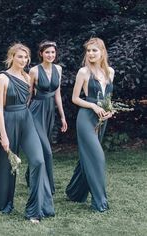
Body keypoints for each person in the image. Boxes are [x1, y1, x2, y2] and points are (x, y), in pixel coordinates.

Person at [0, 43, 55, 223]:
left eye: (26, 57)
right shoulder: (2, 78)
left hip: (26, 119)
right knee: (7, 164)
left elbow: (27, 102)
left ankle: (34, 209)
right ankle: (4, 203)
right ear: (12, 56)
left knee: (38, 160)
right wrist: (4, 135)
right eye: (19, 56)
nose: (23, 60)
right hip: (9, 119)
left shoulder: (28, 78)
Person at [65, 38, 114, 212]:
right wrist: (93, 105)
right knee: (97, 157)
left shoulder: (110, 72)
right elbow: (75, 98)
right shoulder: (83, 72)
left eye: (95, 50)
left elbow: (108, 98)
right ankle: (100, 202)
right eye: (88, 51)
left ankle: (74, 192)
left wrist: (110, 110)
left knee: (86, 157)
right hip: (86, 118)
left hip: (102, 119)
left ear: (102, 52)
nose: (91, 54)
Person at [25, 40, 68, 194]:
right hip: (36, 110)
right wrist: (24, 113)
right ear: (41, 53)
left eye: (53, 52)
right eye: (47, 52)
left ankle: (30, 177)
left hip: (50, 111)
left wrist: (62, 116)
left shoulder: (59, 69)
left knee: (42, 147)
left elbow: (57, 94)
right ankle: (48, 186)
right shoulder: (34, 71)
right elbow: (28, 95)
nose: (50, 55)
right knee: (47, 151)